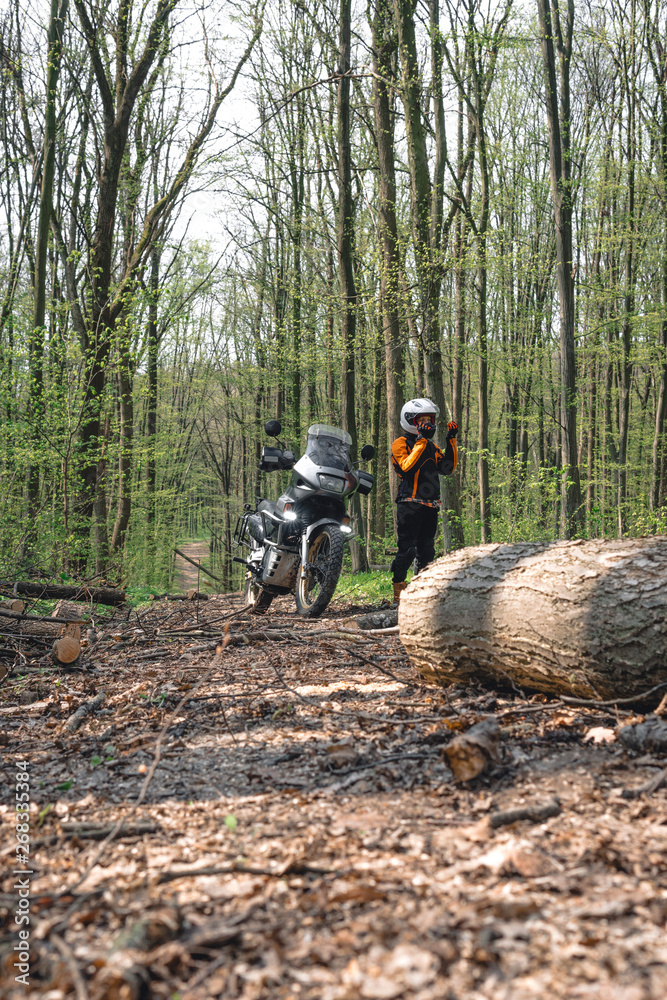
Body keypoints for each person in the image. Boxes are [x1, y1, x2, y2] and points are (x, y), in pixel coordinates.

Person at [390, 397, 458, 602]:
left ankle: (421, 594)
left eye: (430, 420)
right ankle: (398, 594)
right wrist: (421, 440)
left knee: (427, 551)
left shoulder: (431, 446)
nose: (428, 424)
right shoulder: (400, 443)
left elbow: (447, 468)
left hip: (430, 505)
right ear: (411, 421)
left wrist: (451, 440)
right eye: (423, 420)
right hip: (408, 504)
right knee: (407, 549)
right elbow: (406, 467)